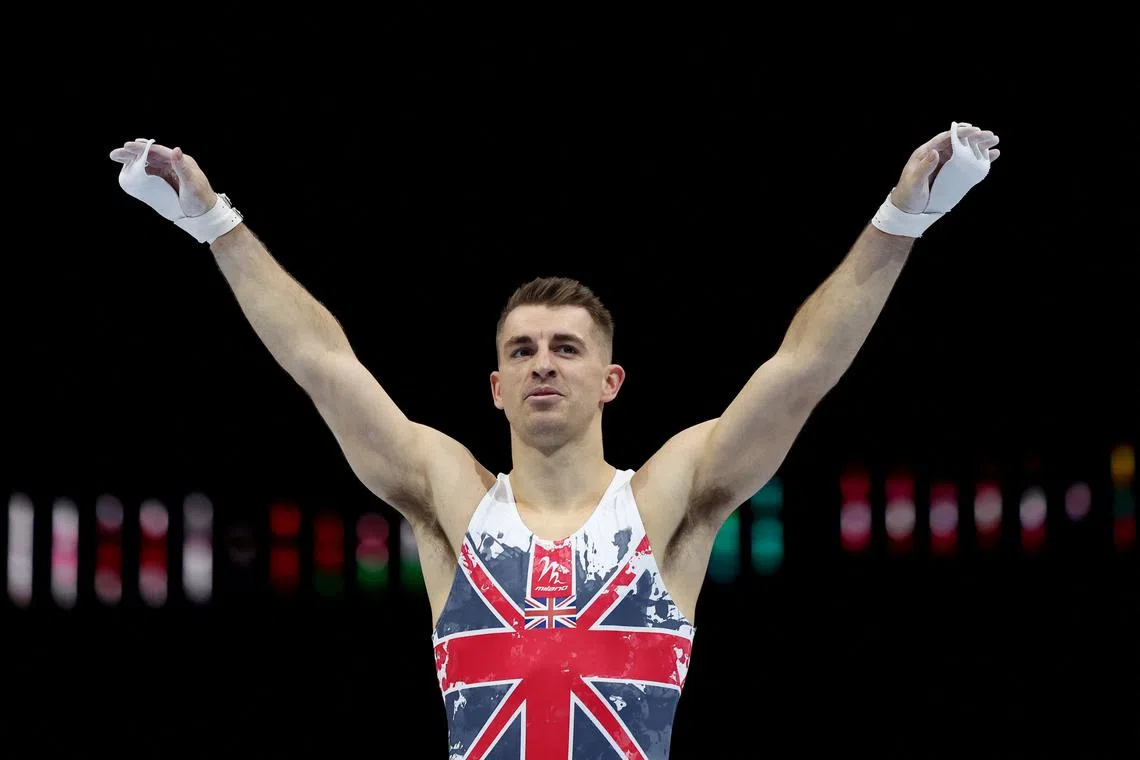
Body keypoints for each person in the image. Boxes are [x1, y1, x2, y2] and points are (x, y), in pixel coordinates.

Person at [109, 122, 1000, 758]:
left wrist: (901, 221)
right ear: (495, 388)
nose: (544, 365)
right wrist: (213, 221)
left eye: (567, 349)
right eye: (522, 351)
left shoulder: (668, 498)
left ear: (610, 380)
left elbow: (802, 368)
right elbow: (321, 363)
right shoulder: (449, 494)